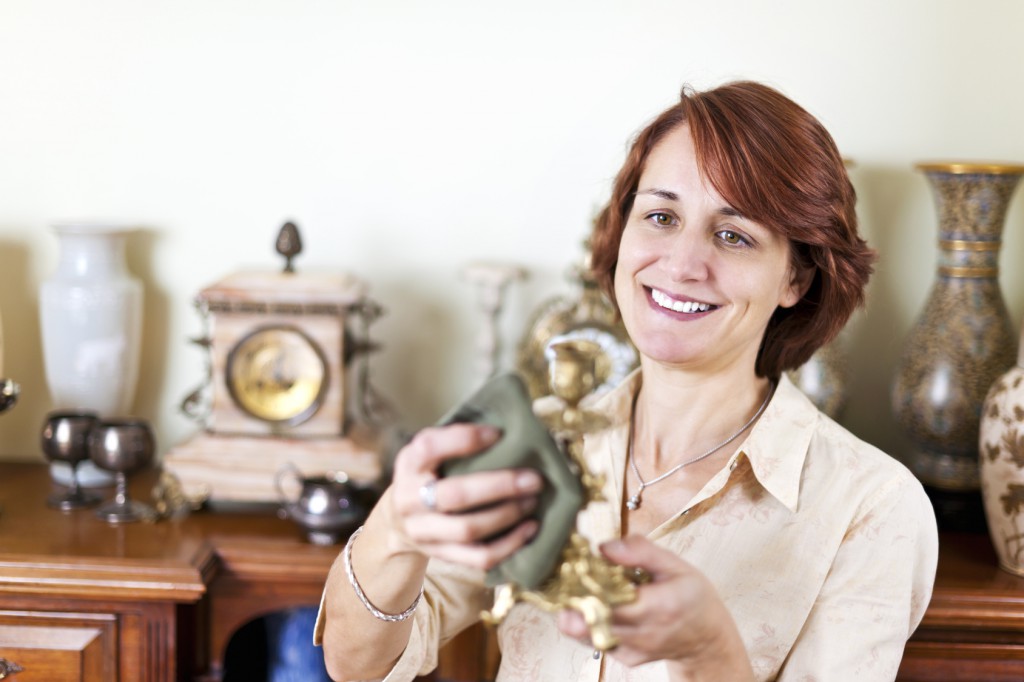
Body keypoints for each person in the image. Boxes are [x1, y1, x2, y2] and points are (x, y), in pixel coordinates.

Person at [314, 80, 939, 681]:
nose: (681, 264)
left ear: (795, 280)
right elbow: (357, 664)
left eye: (733, 235)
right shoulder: (534, 444)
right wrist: (395, 527)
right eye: (662, 217)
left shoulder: (873, 507)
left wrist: (708, 652)